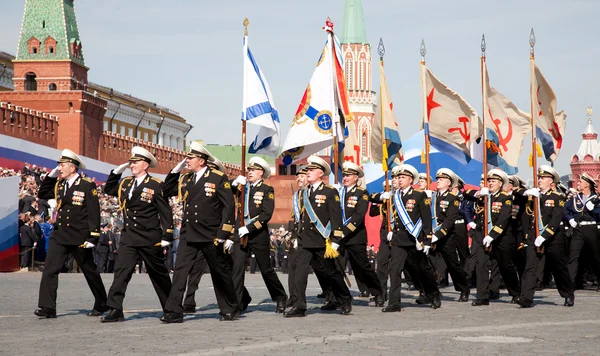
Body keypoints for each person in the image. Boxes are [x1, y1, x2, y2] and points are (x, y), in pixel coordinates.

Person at [161, 142, 239, 323]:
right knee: (180, 271)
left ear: (202, 161)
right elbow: (167, 190)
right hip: (189, 233)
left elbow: (229, 206)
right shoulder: (187, 179)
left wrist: (224, 233)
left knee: (220, 272)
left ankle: (229, 307)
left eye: (191, 158)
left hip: (211, 234)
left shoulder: (218, 178)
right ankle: (174, 311)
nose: (187, 160)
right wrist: (174, 171)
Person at [101, 147, 174, 322]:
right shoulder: (126, 183)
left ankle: (171, 308)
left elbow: (166, 212)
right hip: (129, 236)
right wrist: (116, 172)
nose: (131, 165)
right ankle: (115, 308)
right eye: (131, 162)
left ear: (145, 165)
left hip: (149, 237)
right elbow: (109, 189)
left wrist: (167, 235)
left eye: (135, 162)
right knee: (122, 272)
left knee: (159, 275)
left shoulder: (156, 185)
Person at [35, 149, 107, 318]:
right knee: (50, 269)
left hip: (79, 236)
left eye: (62, 166)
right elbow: (43, 193)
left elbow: (93, 211)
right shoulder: (59, 184)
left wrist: (93, 236)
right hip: (60, 235)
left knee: (89, 270)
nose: (59, 168)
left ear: (73, 168)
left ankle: (102, 303)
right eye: (59, 165)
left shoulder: (87, 185)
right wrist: (51, 177)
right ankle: (48, 307)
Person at [285, 156, 352, 318]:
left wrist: (336, 240)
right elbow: (301, 219)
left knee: (331, 273)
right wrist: (296, 237)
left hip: (323, 241)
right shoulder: (302, 194)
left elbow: (336, 218)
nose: (308, 173)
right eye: (307, 170)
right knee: (300, 275)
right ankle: (300, 307)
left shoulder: (330, 192)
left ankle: (344, 299)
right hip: (305, 241)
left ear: (320, 173)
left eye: (311, 170)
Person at [371, 164, 441, 312]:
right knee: (394, 270)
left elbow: (426, 219)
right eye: (398, 177)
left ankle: (433, 294)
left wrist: (427, 240)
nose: (400, 180)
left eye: (403, 177)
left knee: (423, 269)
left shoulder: (419, 195)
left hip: (415, 240)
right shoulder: (393, 196)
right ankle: (394, 303)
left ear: (410, 180)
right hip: (398, 240)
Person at [230, 157, 288, 313]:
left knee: (266, 270)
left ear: (261, 172)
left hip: (257, 234)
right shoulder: (242, 187)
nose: (249, 173)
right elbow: (227, 193)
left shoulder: (266, 189)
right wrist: (233, 183)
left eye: (253, 170)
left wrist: (249, 228)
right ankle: (237, 301)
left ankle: (280, 297)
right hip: (240, 233)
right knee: (236, 269)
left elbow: (266, 214)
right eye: (248, 170)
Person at [517, 166, 574, 308]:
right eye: (539, 178)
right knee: (530, 267)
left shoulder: (557, 197)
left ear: (551, 181)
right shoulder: (534, 195)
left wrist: (544, 236)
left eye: (543, 178)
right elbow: (515, 193)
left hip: (552, 238)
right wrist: (528, 192)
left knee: (558, 268)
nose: (539, 180)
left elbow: (556, 219)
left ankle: (568, 294)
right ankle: (527, 298)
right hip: (533, 236)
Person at [466, 169, 521, 306]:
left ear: (501, 183)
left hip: (500, 237)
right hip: (481, 235)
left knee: (505, 266)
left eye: (493, 181)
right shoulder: (482, 196)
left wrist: (492, 236)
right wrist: (478, 193)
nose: (490, 183)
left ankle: (516, 292)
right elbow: (465, 194)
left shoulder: (505, 198)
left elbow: (504, 219)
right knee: (481, 266)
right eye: (489, 181)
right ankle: (482, 297)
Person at [337, 161, 384, 307]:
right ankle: (341, 296)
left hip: (355, 237)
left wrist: (344, 231)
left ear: (356, 177)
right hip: (338, 237)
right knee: (336, 267)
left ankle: (377, 292)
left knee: (362, 267)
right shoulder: (338, 193)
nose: (345, 178)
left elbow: (359, 215)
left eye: (348, 175)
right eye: (344, 175)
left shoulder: (361, 193)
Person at [430, 169, 470, 302]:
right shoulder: (432, 197)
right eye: (438, 179)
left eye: (442, 179)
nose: (438, 181)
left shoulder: (453, 198)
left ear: (449, 182)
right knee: (428, 264)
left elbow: (450, 219)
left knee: (453, 265)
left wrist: (439, 234)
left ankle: (464, 288)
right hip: (432, 235)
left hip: (446, 236)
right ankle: (428, 291)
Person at [565, 172, 600, 284]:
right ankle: (570, 282)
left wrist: (593, 209)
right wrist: (570, 219)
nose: (578, 183)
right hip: (578, 229)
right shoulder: (575, 198)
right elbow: (565, 209)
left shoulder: (596, 199)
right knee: (573, 255)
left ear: (586, 185)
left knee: (595, 256)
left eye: (580, 182)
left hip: (591, 229)